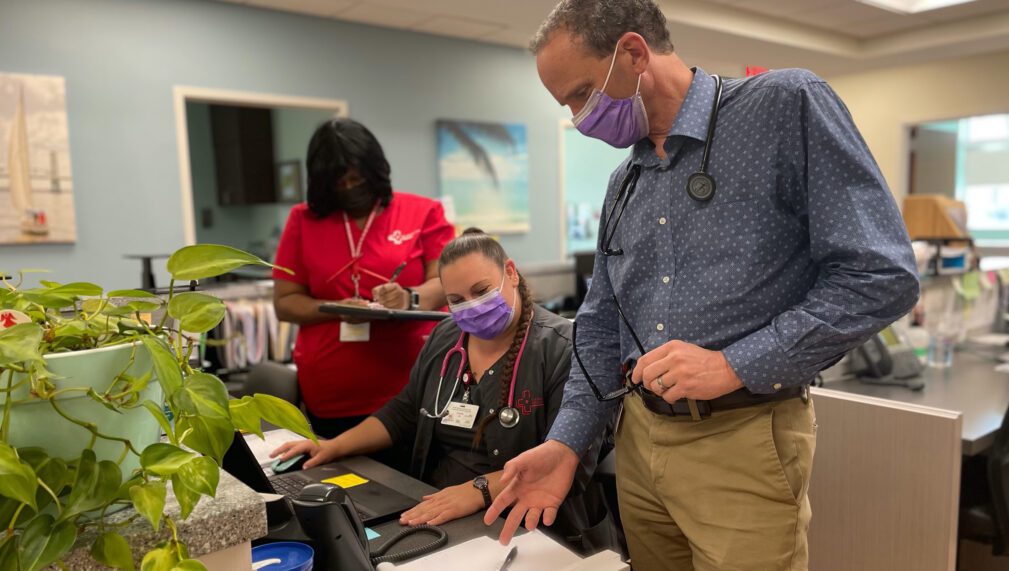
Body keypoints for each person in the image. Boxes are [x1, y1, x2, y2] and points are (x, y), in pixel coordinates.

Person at [484, 2, 921, 570]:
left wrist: (733, 364)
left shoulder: (783, 106)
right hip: (639, 442)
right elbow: (598, 325)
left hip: (743, 436)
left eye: (581, 93)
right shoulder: (626, 180)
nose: (577, 117)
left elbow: (882, 274)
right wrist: (568, 441)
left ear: (634, 53)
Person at [272, 229, 617, 553]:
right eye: (457, 299)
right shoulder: (446, 338)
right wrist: (332, 446)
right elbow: (404, 412)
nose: (472, 307)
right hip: (436, 505)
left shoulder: (563, 348)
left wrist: (475, 491)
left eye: (481, 291)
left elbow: (559, 458)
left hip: (530, 521)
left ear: (510, 273)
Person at [272, 118, 454, 440]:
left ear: (374, 170)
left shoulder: (423, 212)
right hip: (331, 392)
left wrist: (408, 298)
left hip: (411, 385)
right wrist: (333, 308)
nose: (348, 189)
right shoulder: (303, 220)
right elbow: (286, 303)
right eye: (337, 184)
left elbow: (445, 283)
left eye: (356, 180)